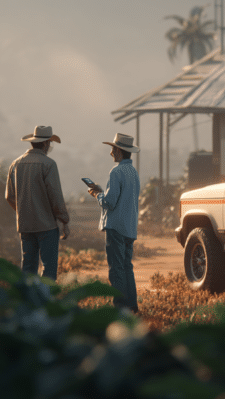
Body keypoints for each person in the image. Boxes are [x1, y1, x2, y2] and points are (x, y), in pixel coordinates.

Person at [6, 125, 70, 280]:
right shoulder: (49, 164)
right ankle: (46, 294)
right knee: (49, 267)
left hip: (25, 225)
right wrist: (64, 220)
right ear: (46, 143)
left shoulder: (15, 164)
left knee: (28, 266)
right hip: (47, 225)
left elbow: (9, 196)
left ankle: (28, 295)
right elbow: (55, 197)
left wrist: (23, 212)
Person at [88, 132, 140, 313]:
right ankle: (132, 306)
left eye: (112, 149)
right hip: (129, 227)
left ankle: (120, 308)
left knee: (116, 269)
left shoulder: (116, 171)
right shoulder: (133, 172)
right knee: (127, 267)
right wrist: (102, 192)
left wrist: (97, 194)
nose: (111, 153)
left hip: (116, 227)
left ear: (118, 151)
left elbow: (109, 202)